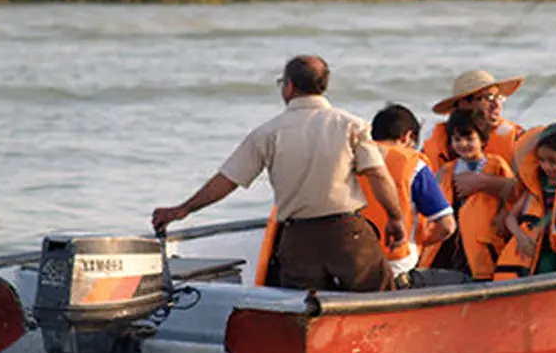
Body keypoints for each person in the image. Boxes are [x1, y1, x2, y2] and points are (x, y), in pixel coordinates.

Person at [151, 55, 406, 292]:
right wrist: (395, 219)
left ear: (290, 87)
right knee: (379, 301)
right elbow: (378, 176)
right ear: (323, 86)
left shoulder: (267, 133)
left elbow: (227, 180)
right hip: (347, 234)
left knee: (301, 310)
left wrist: (182, 209)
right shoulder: (351, 125)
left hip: (298, 239)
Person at [359, 104, 457, 287]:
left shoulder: (352, 158)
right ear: (407, 136)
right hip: (395, 262)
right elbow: (447, 226)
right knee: (460, 280)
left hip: (354, 260)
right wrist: (422, 241)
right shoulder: (412, 164)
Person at [420, 108, 513, 280]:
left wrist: (503, 215)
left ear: (483, 139)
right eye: (457, 139)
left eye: (469, 138)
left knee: (482, 273)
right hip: (452, 241)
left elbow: (513, 196)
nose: (463, 144)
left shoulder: (496, 165)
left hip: (484, 240)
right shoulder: (447, 170)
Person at [493, 123, 556, 279]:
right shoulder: (534, 188)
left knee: (549, 267)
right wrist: (521, 237)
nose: (546, 167)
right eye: (541, 160)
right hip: (535, 245)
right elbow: (510, 218)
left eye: (552, 161)